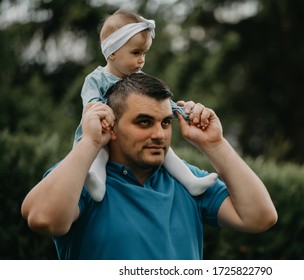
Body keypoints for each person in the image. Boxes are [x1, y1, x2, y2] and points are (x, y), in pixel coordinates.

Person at [21, 72, 278, 260]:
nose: (159, 135)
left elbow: (260, 217)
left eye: (165, 123)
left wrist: (216, 144)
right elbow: (43, 219)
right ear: (111, 124)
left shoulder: (188, 182)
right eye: (144, 122)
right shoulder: (83, 178)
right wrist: (90, 141)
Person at [76, 9, 217, 202]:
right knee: (99, 155)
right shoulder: (96, 79)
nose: (141, 60)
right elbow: (91, 105)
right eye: (135, 52)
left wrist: (181, 111)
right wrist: (100, 113)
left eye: (144, 53)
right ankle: (97, 184)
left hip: (128, 138)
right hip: (100, 133)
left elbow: (160, 105)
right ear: (112, 52)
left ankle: (191, 181)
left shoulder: (140, 79)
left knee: (167, 153)